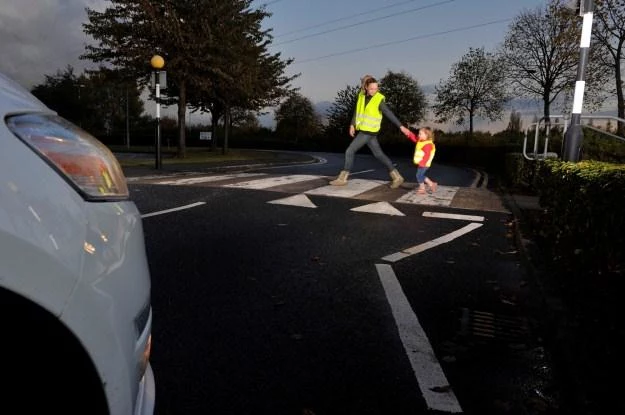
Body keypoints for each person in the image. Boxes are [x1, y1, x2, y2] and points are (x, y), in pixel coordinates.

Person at [330, 75, 411, 188]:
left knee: (350, 151)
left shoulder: (379, 100)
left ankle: (343, 178)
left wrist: (401, 127)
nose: (374, 91)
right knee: (379, 154)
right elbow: (357, 111)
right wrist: (352, 124)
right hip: (367, 131)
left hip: (368, 132)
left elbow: (389, 113)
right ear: (366, 87)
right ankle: (397, 177)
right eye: (372, 88)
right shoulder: (361, 96)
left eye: (376, 88)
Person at [407, 126, 437, 194]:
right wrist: (409, 133)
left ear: (426, 135)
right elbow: (414, 138)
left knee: (418, 175)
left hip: (424, 164)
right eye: (419, 133)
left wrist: (423, 163)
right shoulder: (421, 141)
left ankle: (422, 188)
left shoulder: (428, 145)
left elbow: (427, 155)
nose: (418, 135)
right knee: (421, 175)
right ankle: (432, 184)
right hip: (422, 163)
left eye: (420, 134)